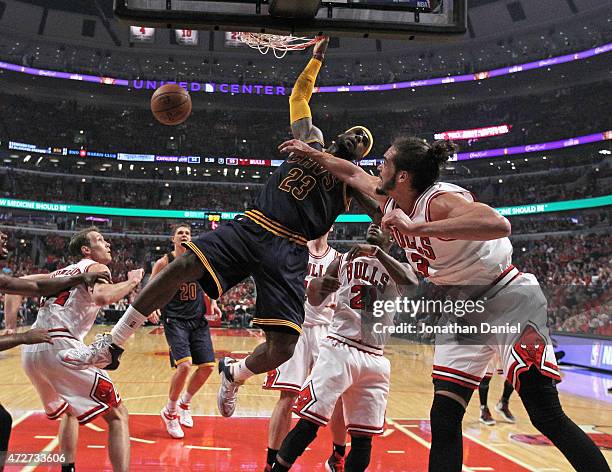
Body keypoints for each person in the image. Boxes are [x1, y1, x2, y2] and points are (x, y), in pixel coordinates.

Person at [58, 36, 380, 422]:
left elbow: (383, 209)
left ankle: (235, 373)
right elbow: (299, 95)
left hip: (290, 249)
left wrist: (385, 234)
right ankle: (113, 343)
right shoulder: (312, 139)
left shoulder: (356, 182)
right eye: (355, 131)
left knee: (283, 348)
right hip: (254, 224)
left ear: (363, 155)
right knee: (181, 267)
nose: (356, 137)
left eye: (363, 140)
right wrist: (315, 61)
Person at [277, 137, 610, 471]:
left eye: (387, 161)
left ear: (403, 176)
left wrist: (417, 227)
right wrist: (311, 153)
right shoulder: (388, 199)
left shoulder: (438, 200)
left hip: (505, 295)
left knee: (544, 412)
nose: (380, 165)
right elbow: (350, 172)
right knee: (444, 416)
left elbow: (498, 224)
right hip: (461, 307)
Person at [271, 224, 416, 471]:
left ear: (392, 238)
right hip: (339, 346)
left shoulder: (400, 268)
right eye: (372, 223)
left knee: (363, 440)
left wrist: (377, 253)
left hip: (375, 357)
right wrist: (319, 285)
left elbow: (412, 283)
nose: (373, 226)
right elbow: (316, 300)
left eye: (381, 227)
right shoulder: (343, 260)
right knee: (309, 423)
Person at [5, 227, 144, 472]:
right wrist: (132, 282)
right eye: (101, 239)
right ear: (86, 250)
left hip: (33, 350)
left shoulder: (57, 273)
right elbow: (102, 297)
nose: (107, 243)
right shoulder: (96, 267)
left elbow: (14, 288)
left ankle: (67, 468)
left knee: (70, 411)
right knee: (118, 414)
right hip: (61, 346)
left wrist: (10, 327)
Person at [263, 229, 346, 471]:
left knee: (337, 397)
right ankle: (271, 462)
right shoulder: (294, 253)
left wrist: (338, 303)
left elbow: (347, 295)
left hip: (326, 329)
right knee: (287, 396)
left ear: (331, 226)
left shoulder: (339, 259)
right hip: (295, 327)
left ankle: (338, 456)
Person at [151, 225, 221, 439]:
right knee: (184, 366)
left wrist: (215, 303)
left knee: (208, 367)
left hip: (197, 319)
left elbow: (210, 283)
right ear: (173, 238)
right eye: (180, 233)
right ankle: (170, 412)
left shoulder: (198, 259)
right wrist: (152, 307)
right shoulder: (164, 262)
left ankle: (184, 403)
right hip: (175, 320)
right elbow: (151, 287)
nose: (184, 236)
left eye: (187, 234)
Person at [478, 357, 515, 426]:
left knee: (513, 373)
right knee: (486, 376)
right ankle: (483, 409)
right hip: (490, 348)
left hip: (506, 347)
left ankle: (503, 403)